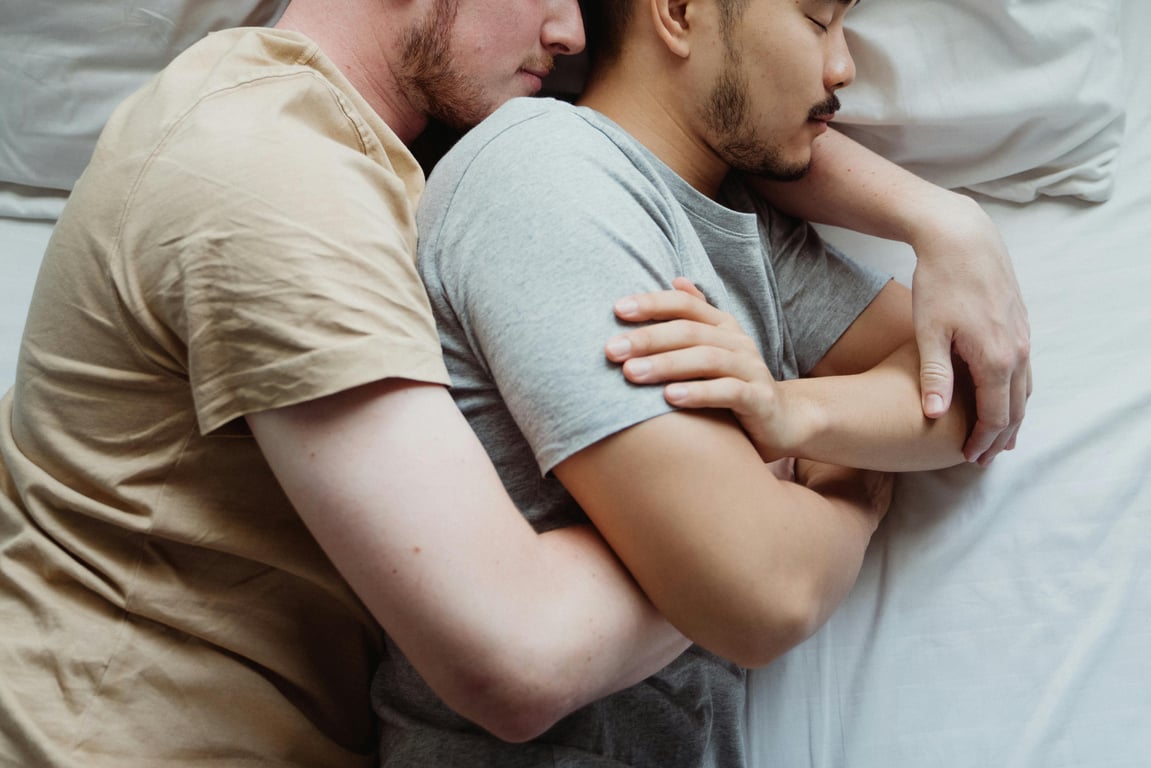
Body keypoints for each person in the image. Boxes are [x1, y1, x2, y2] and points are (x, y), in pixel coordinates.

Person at [0, 0, 1026, 766]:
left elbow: (686, 108)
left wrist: (937, 220)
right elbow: (520, 659)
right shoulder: (268, 170)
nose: (573, 30)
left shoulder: (383, 155)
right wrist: (813, 492)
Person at [393, 0, 1006, 764]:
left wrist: (797, 414)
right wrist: (855, 495)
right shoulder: (545, 171)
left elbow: (969, 389)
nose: (843, 67)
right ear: (679, 12)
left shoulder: (740, 228)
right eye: (816, 20)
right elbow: (766, 593)